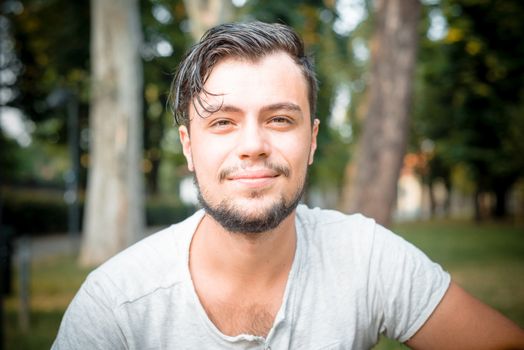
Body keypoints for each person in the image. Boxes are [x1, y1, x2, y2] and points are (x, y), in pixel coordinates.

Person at [53, 21, 524, 349]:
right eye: (222, 122)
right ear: (188, 147)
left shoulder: (366, 256)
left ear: (312, 140)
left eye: (279, 119)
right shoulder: (115, 305)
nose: (253, 145)